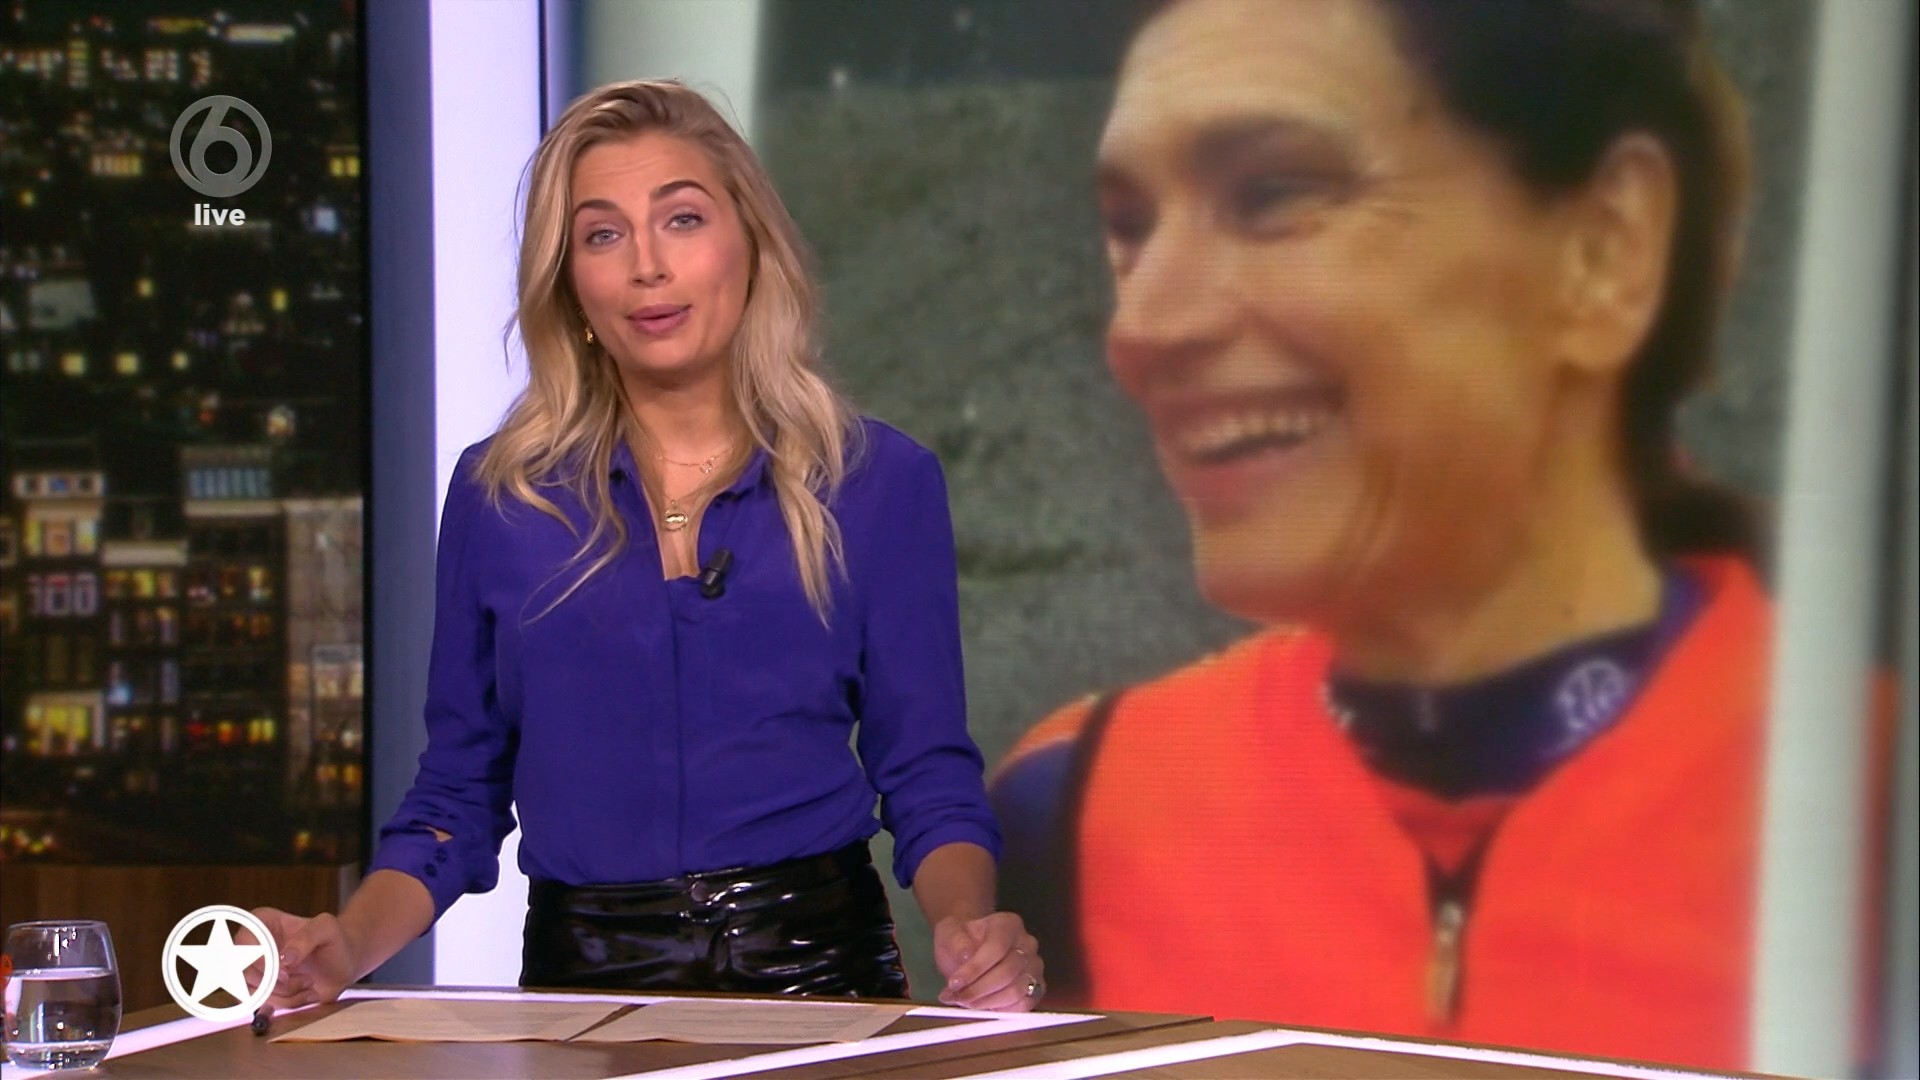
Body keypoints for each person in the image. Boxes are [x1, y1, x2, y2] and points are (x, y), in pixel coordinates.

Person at [993, 0, 1784, 1068]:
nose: (1143, 326)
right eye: (1130, 228)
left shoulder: (1864, 806)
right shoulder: (1078, 817)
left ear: (1605, 250)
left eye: (1273, 195)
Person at [250, 80, 1043, 1013]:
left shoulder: (878, 481)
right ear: (570, 283)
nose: (648, 267)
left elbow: (926, 773)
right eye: (602, 234)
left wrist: (971, 930)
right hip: (582, 987)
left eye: (682, 219)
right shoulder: (500, 496)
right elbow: (457, 793)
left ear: (751, 244)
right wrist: (347, 944)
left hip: (819, 975)